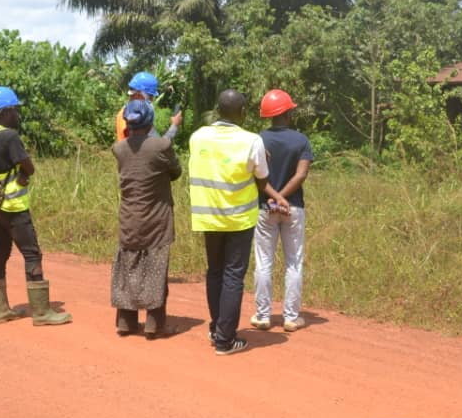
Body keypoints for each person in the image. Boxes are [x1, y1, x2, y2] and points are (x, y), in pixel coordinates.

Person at [189, 89, 289, 356]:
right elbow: (261, 177)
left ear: (217, 110)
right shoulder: (251, 140)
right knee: (233, 275)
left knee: (215, 272)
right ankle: (225, 339)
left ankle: (216, 328)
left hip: (208, 215)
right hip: (238, 218)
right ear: (243, 112)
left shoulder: (197, 137)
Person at [0, 86, 72, 326]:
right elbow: (29, 167)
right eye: (15, 110)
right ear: (5, 111)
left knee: (0, 254)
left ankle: (0, 310)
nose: (18, 115)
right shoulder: (9, 137)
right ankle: (42, 313)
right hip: (14, 205)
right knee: (32, 253)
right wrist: (25, 173)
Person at [111, 98, 182, 338]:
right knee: (155, 268)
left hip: (129, 218)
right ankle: (154, 324)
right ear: (149, 121)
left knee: (128, 268)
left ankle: (125, 322)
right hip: (156, 219)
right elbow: (175, 172)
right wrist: (173, 129)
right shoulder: (160, 147)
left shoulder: (119, 149)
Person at [250, 89, 314, 333]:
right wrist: (284, 198)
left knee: (264, 262)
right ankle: (290, 317)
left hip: (264, 207)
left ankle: (263, 315)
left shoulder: (258, 140)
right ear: (288, 112)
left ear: (267, 115)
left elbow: (257, 177)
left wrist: (274, 198)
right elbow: (301, 174)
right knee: (293, 262)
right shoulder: (301, 140)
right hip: (293, 207)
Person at [114, 71, 183, 142]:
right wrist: (174, 126)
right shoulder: (134, 116)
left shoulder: (127, 112)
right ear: (138, 95)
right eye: (150, 96)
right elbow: (159, 146)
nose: (152, 100)